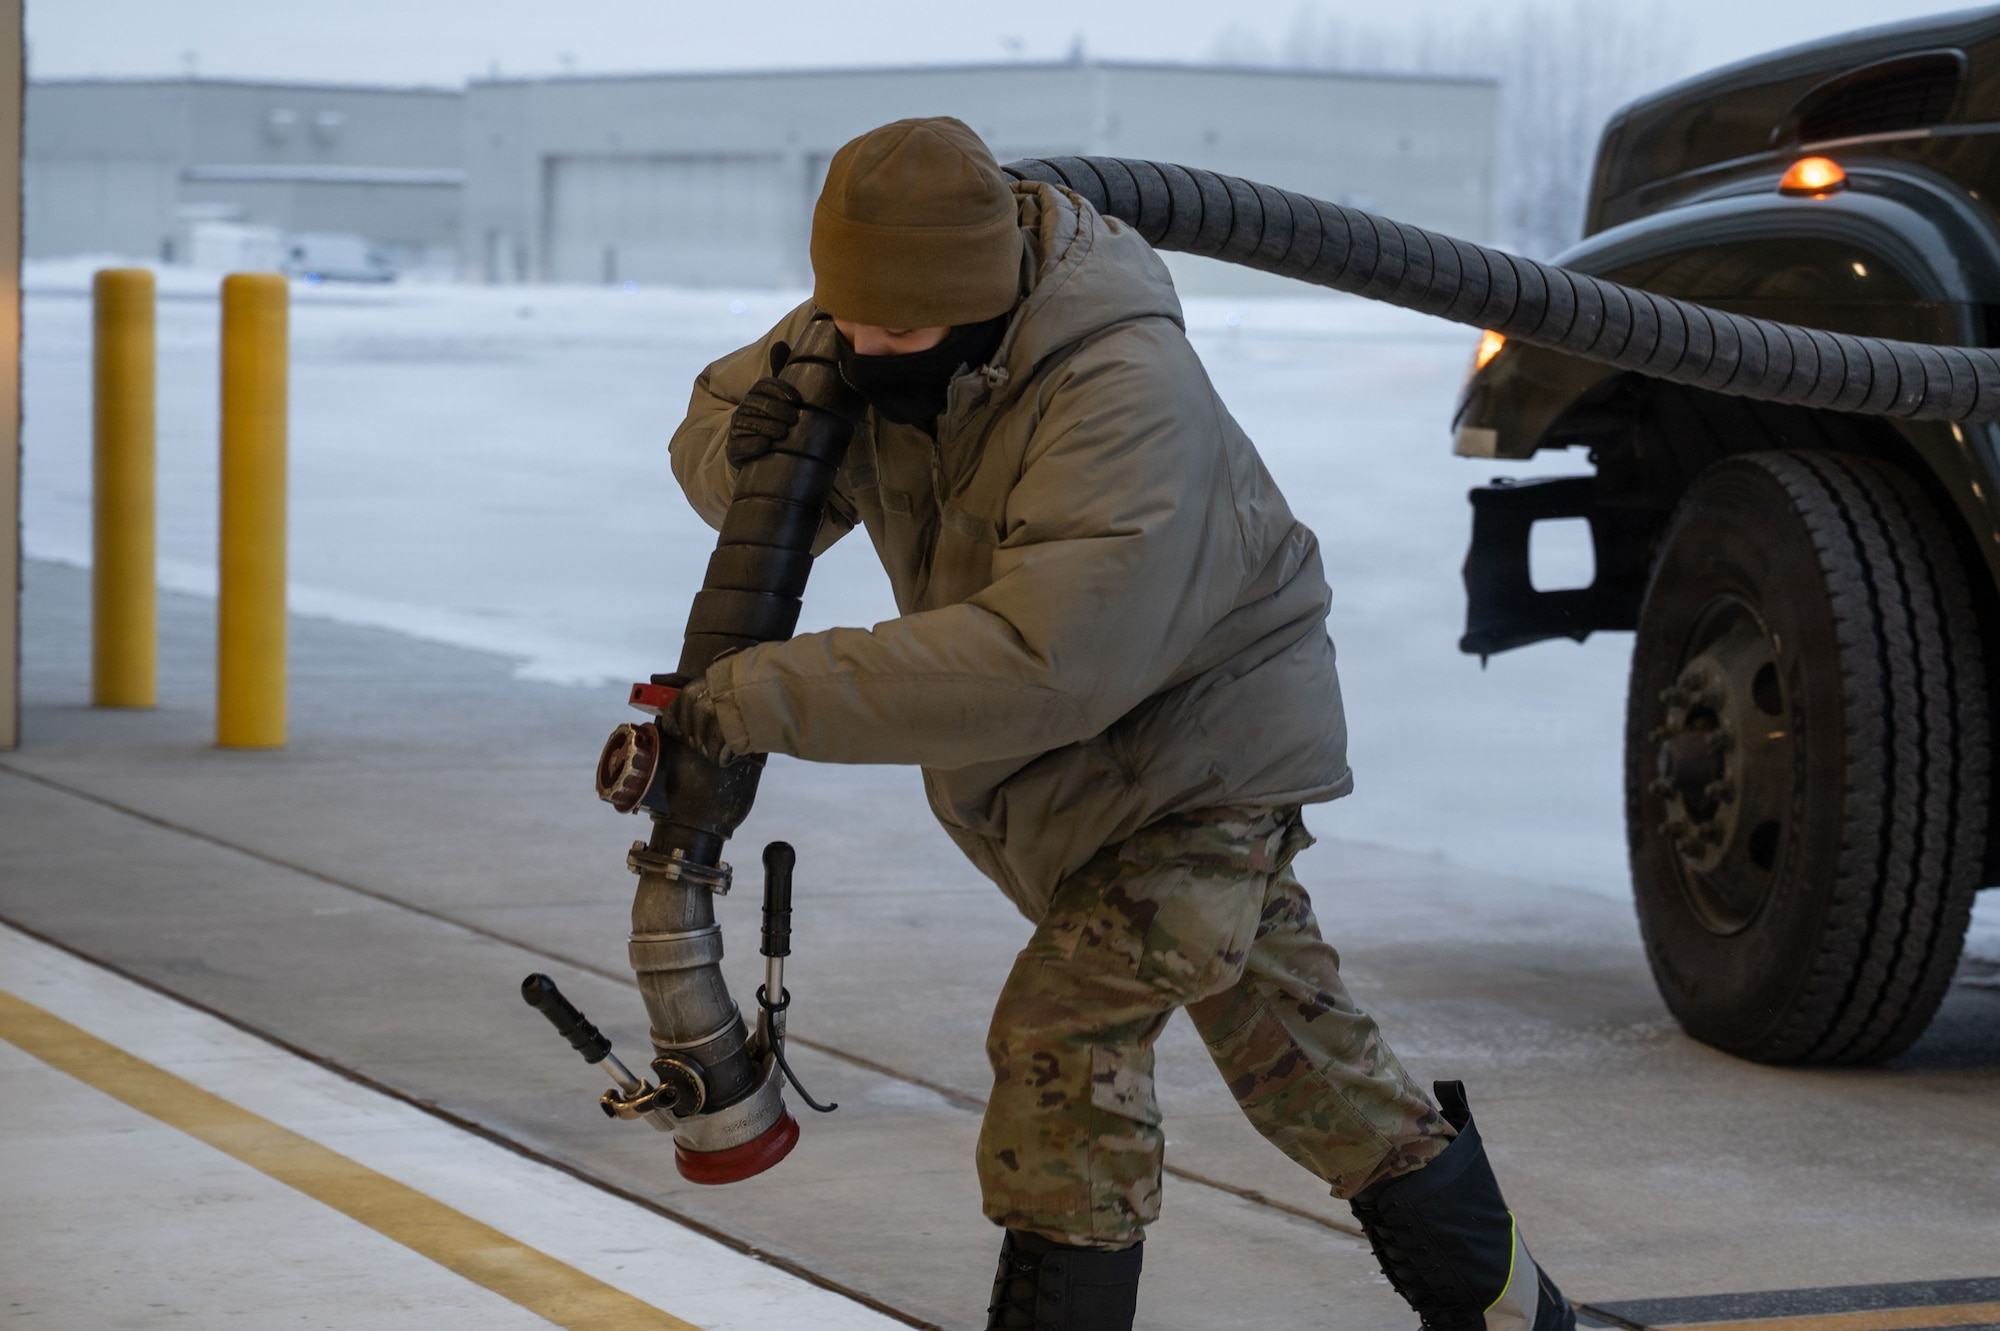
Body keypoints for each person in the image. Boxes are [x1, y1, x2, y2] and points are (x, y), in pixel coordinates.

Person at [662, 116, 1575, 1331]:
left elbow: (1048, 660)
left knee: (1063, 1035)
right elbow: (719, 443)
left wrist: (750, 696)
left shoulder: (1119, 385)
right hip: (1078, 773)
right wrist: (749, 454)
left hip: (1200, 754)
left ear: (978, 300)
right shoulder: (866, 319)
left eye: (899, 333)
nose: (863, 351)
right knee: (1310, 1067)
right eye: (848, 323)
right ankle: (1516, 1310)